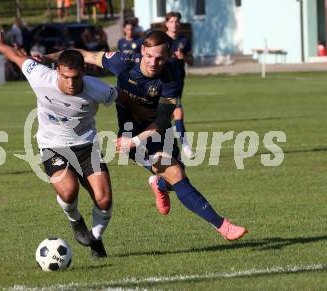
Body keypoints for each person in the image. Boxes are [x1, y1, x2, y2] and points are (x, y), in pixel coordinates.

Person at [45, 30, 247, 241]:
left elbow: (161, 122)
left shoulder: (171, 77)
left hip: (155, 132)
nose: (153, 62)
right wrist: (46, 58)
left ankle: (159, 184)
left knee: (174, 177)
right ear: (142, 51)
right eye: (149, 56)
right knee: (176, 173)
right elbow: (84, 54)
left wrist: (133, 142)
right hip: (131, 133)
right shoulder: (123, 61)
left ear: (168, 56)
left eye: (160, 58)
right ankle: (223, 226)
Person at [0, 26, 119, 257]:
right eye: (65, 77)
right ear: (57, 71)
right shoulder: (40, 76)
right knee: (68, 192)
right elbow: (18, 57)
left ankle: (95, 238)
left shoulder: (98, 89)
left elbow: (124, 100)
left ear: (83, 71)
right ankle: (76, 221)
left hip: (87, 147)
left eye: (76, 77)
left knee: (104, 199)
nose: (71, 83)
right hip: (52, 147)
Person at [165, 11, 194, 158]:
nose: (174, 24)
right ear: (166, 23)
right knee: (178, 112)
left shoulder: (184, 40)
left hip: (178, 82)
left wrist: (184, 57)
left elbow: (191, 60)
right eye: (171, 21)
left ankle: (150, 146)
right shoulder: (161, 40)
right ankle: (186, 147)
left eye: (177, 22)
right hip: (164, 83)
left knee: (165, 119)